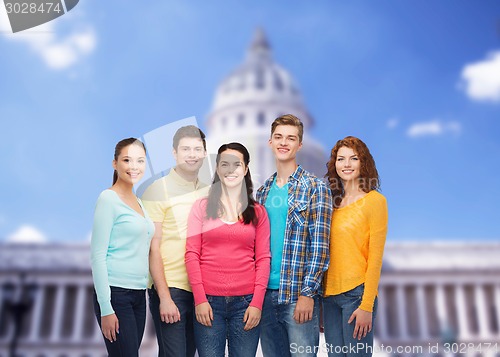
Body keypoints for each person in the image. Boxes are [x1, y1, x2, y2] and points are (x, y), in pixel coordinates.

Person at [256, 114, 332, 357]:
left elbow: (320, 246)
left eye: (290, 138)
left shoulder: (315, 187)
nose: (283, 142)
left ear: (300, 145)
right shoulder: (262, 191)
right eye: (278, 137)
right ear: (270, 142)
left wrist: (308, 293)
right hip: (265, 296)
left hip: (296, 295)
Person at [185, 142, 271, 357]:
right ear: (217, 168)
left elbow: (263, 259)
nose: (231, 170)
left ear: (246, 169)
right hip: (209, 303)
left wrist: (257, 303)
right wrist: (200, 299)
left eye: (236, 164)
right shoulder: (201, 207)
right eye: (225, 164)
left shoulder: (258, 212)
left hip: (246, 304)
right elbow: (192, 254)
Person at [141, 125, 209, 357]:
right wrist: (165, 297)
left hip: (201, 290)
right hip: (172, 288)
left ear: (204, 153)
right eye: (185, 149)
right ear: (174, 153)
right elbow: (153, 247)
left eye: (197, 149)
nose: (192, 154)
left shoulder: (209, 192)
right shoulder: (156, 190)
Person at [322, 136, 388, 357]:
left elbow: (375, 257)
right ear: (335, 165)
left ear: (363, 162)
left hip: (356, 296)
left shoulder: (375, 201)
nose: (347, 164)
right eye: (341, 159)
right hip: (329, 297)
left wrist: (367, 305)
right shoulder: (331, 205)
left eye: (353, 158)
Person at [91, 138, 155, 357]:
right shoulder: (108, 199)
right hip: (116, 294)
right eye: (127, 160)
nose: (133, 166)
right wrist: (106, 308)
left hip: (138, 294)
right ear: (115, 163)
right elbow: (97, 256)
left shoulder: (140, 203)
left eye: (140, 161)